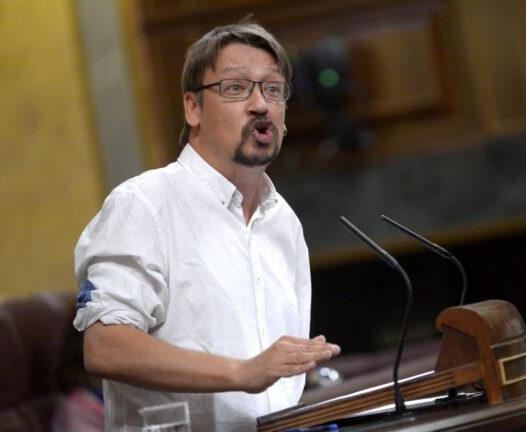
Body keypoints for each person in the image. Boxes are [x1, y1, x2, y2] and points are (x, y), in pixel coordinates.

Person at [73, 17, 341, 431]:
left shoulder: (283, 221)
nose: (260, 104)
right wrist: (242, 372)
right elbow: (105, 348)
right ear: (192, 107)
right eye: (235, 88)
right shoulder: (143, 205)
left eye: (272, 89)